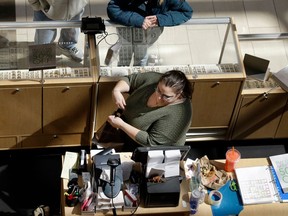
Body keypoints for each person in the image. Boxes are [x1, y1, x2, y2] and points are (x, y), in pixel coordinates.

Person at [106, 70, 193, 151]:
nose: (158, 97)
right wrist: (116, 91)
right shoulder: (154, 80)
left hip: (150, 153)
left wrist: (122, 125)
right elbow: (130, 79)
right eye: (158, 90)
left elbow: (152, 142)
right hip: (126, 139)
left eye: (166, 96)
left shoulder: (179, 113)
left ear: (179, 94)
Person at [106, 0, 193, 66]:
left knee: (141, 55)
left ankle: (137, 77)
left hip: (148, 37)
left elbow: (186, 12)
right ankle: (123, 72)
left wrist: (160, 19)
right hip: (128, 32)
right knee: (126, 54)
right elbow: (113, 8)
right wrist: (138, 20)